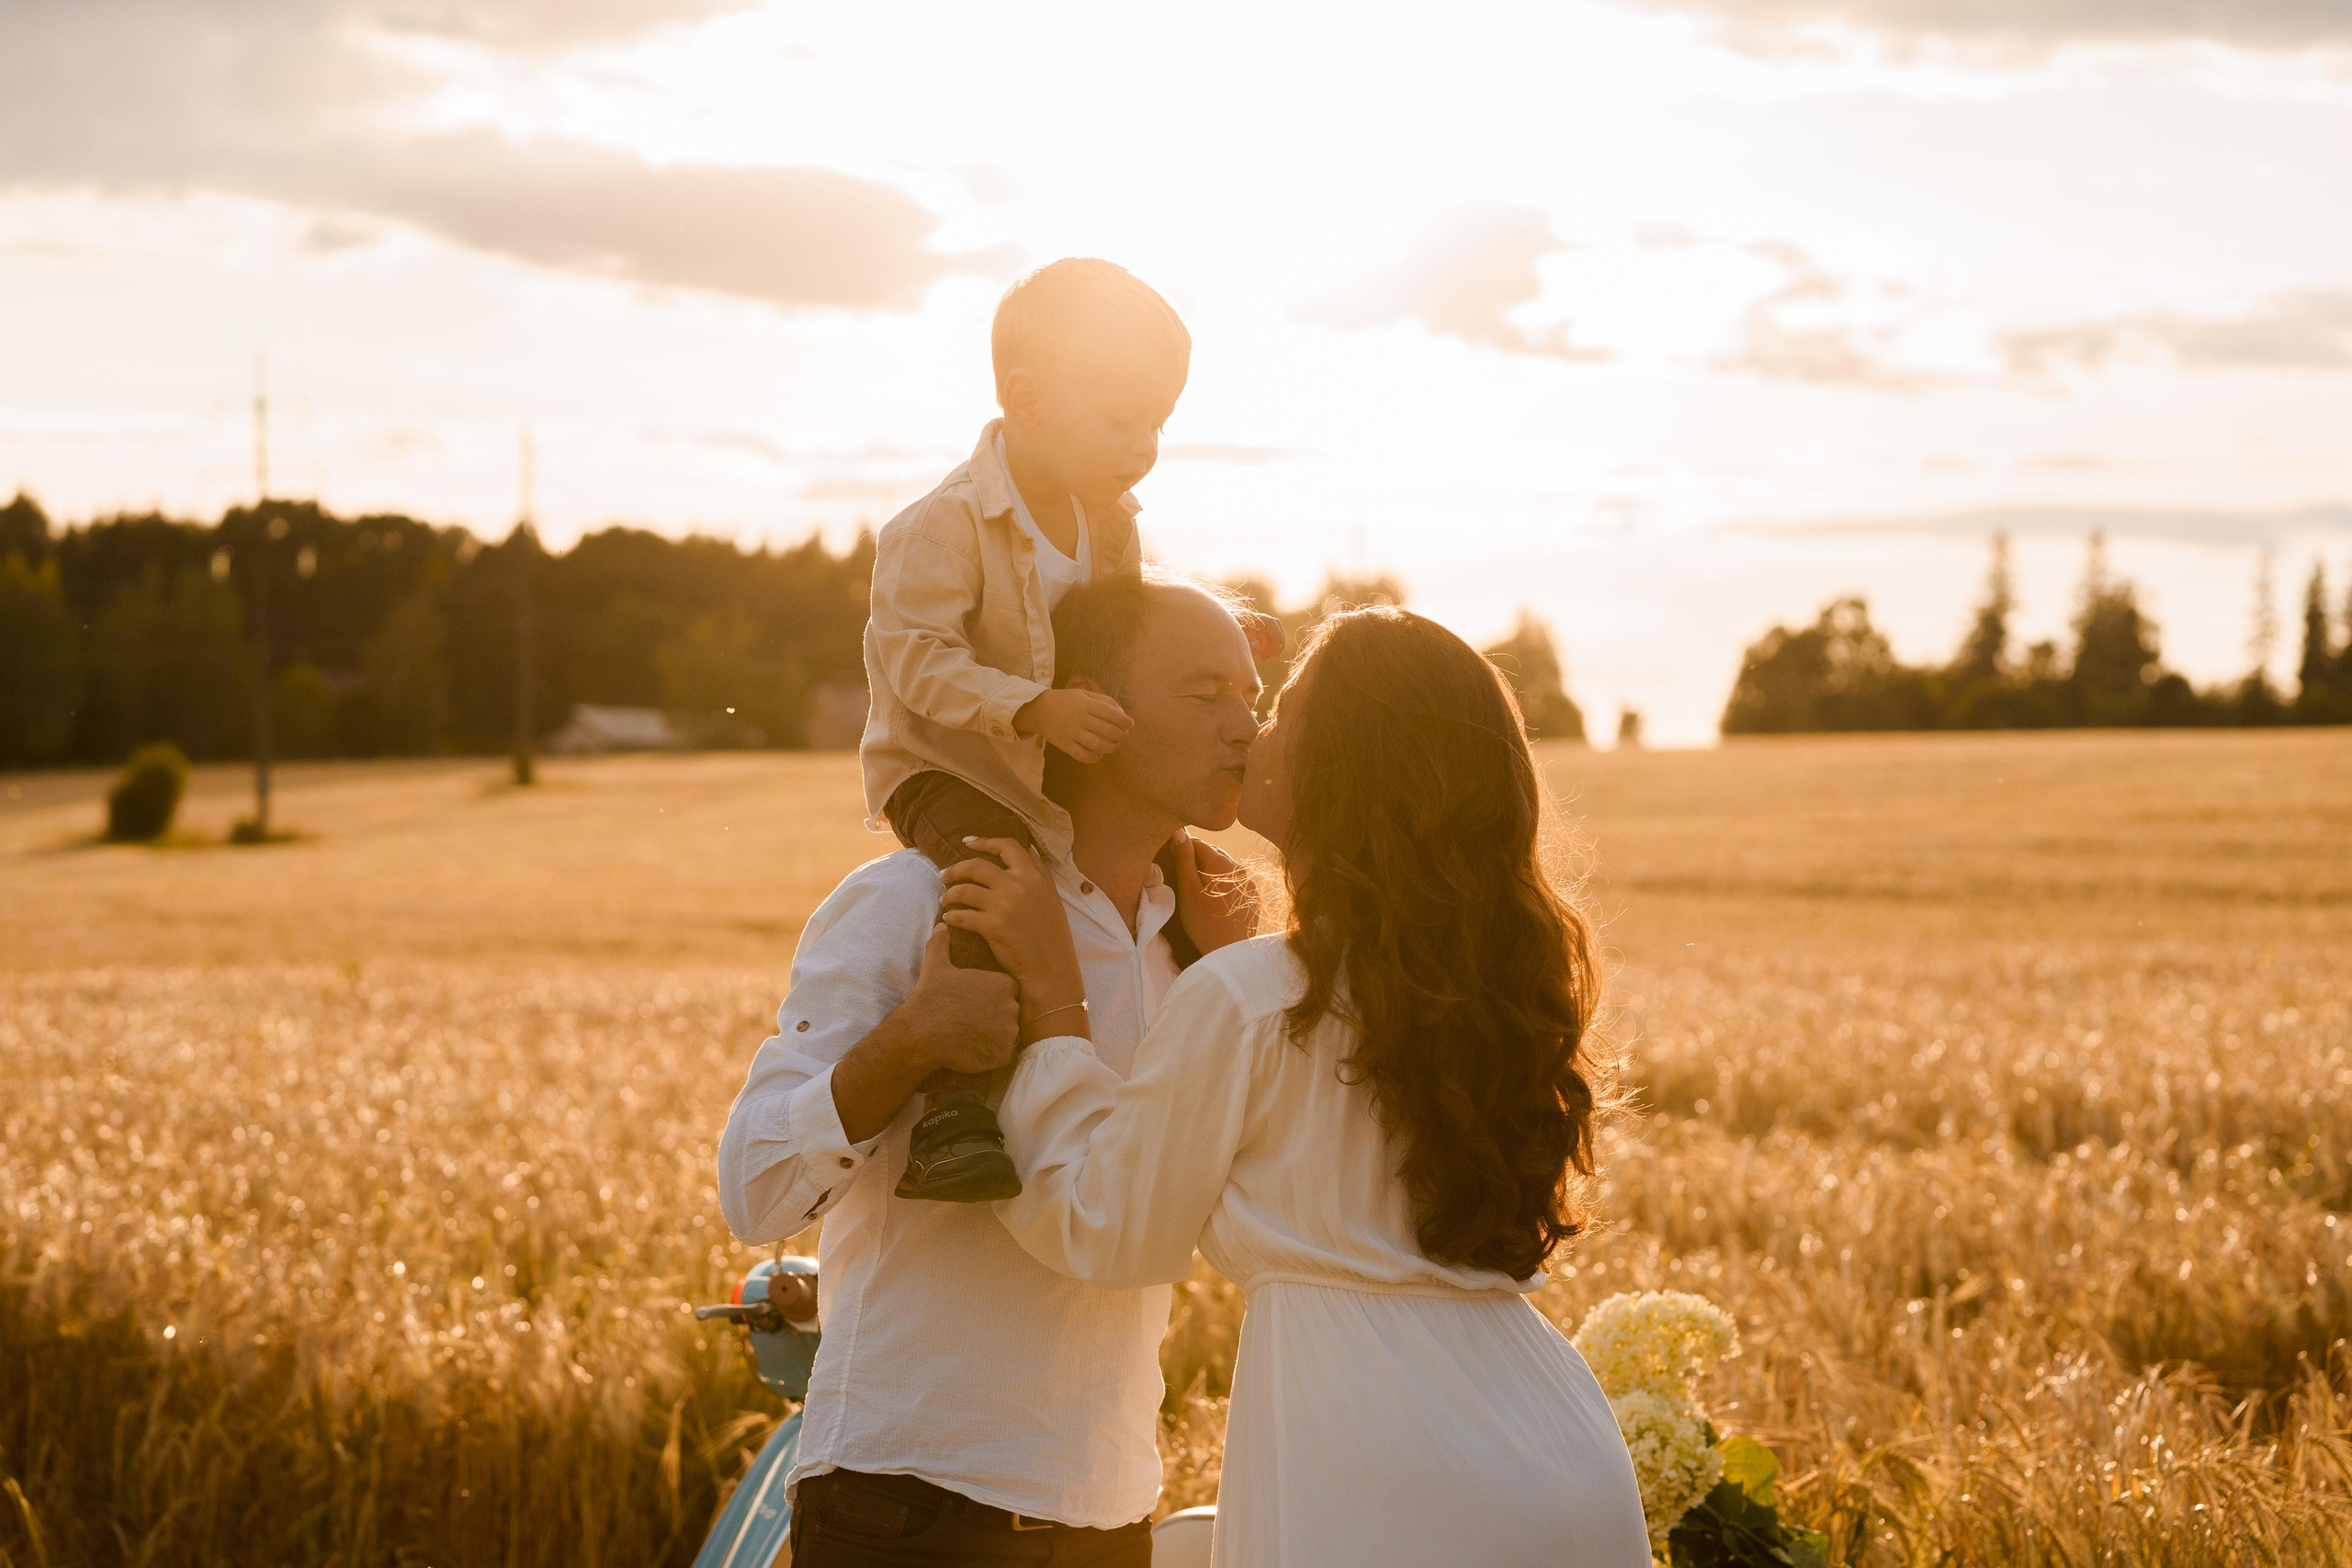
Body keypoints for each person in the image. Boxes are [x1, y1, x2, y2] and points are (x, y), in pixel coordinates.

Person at [941, 605, 1654, 1567]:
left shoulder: (1248, 998)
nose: (1252, 730)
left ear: (1342, 768)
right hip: (1554, 1444)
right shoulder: (1476, 989)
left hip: (1374, 1458)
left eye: (1284, 711)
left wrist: (1055, 1001)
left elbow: (1104, 1228)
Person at [717, 574, 1264, 1566]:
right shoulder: (917, 902)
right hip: (908, 1503)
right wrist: (917, 1036)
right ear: (1089, 708)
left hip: (1110, 1512)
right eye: (1205, 693)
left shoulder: (1207, 948)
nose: (1244, 727)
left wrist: (1230, 970)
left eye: (1252, 699)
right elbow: (753, 1186)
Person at [859, 256, 1189, 1203]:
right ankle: (952, 1114)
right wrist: (1031, 706)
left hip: (1050, 764)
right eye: (1123, 419)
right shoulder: (942, 525)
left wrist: (1203, 640)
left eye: (1159, 423)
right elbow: (914, 665)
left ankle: (1190, 1058)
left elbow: (1129, 628)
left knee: (1178, 855)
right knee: (995, 872)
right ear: (1026, 398)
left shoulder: (1108, 523)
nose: (1145, 445)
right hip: (949, 764)